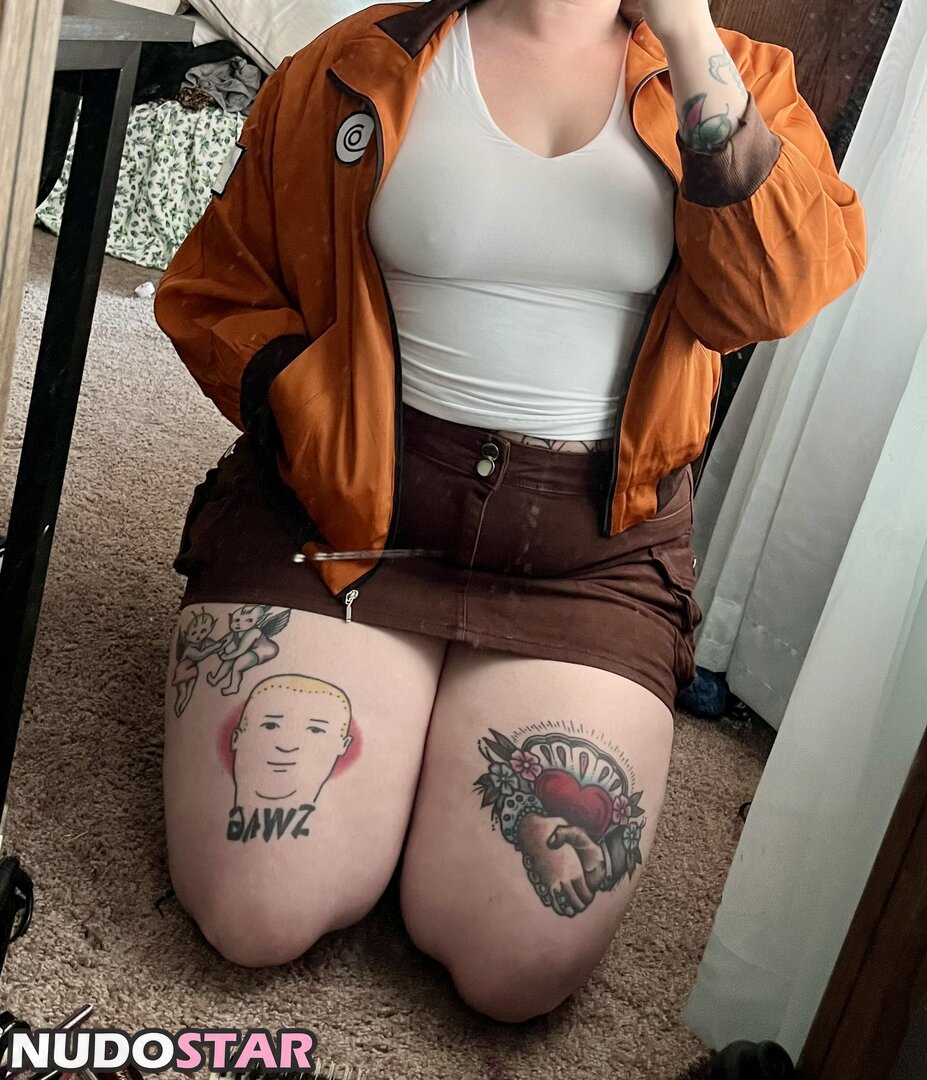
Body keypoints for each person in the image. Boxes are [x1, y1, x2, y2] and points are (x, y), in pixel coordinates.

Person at [155, 0, 866, 1021]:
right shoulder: (358, 62)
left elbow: (772, 296)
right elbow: (218, 284)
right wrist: (300, 400)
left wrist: (686, 30)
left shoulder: (738, 78)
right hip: (344, 518)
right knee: (256, 910)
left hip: (591, 556)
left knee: (513, 968)